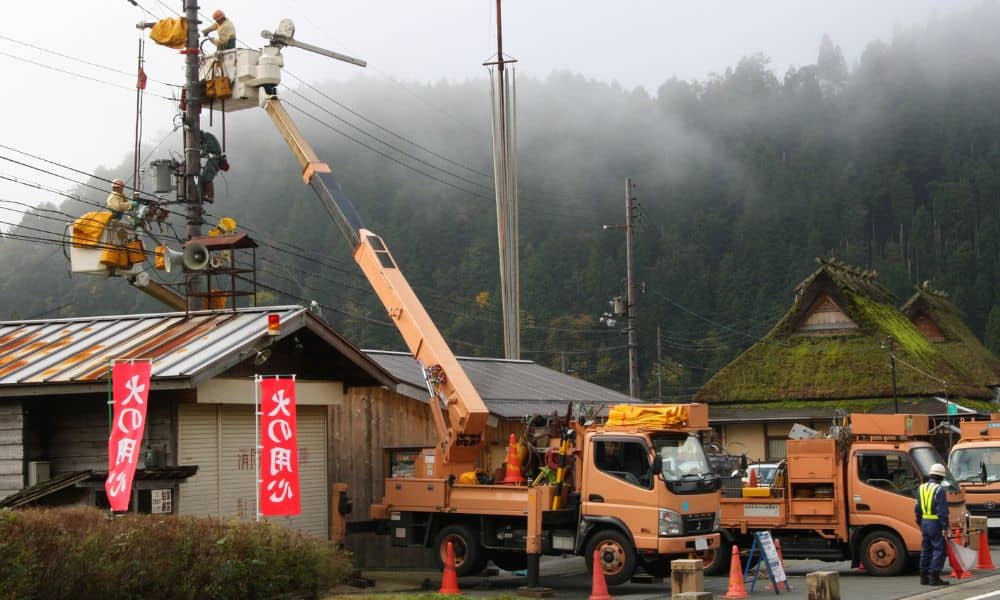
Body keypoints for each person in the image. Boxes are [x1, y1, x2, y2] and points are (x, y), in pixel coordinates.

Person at [915, 463, 950, 586]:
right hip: (935, 523)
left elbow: (917, 508)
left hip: (924, 522)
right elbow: (942, 511)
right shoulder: (939, 489)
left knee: (926, 549)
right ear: (941, 477)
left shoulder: (921, 488)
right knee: (939, 549)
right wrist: (945, 527)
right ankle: (934, 577)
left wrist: (919, 522)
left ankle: (923, 577)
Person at [199, 130, 225, 203]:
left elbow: (209, 148)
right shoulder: (204, 139)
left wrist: (199, 154)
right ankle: (203, 195)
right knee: (203, 178)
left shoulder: (206, 136)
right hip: (213, 159)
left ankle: (210, 196)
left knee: (207, 176)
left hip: (215, 159)